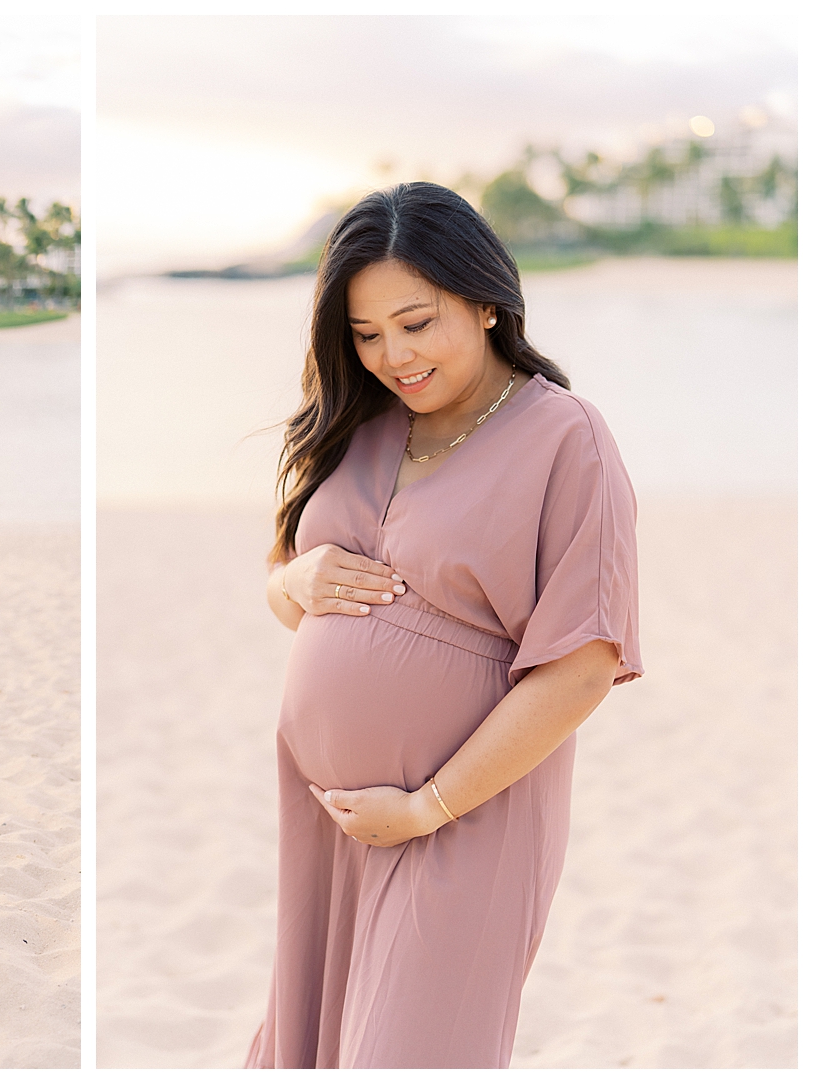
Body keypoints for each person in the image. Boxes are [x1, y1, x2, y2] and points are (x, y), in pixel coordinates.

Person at [245, 182, 641, 1068]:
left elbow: (583, 665)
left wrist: (426, 807)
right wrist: (296, 580)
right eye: (366, 333)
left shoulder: (565, 437)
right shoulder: (360, 426)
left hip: (467, 817)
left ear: (487, 301)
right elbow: (286, 588)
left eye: (417, 323)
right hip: (330, 823)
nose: (393, 354)